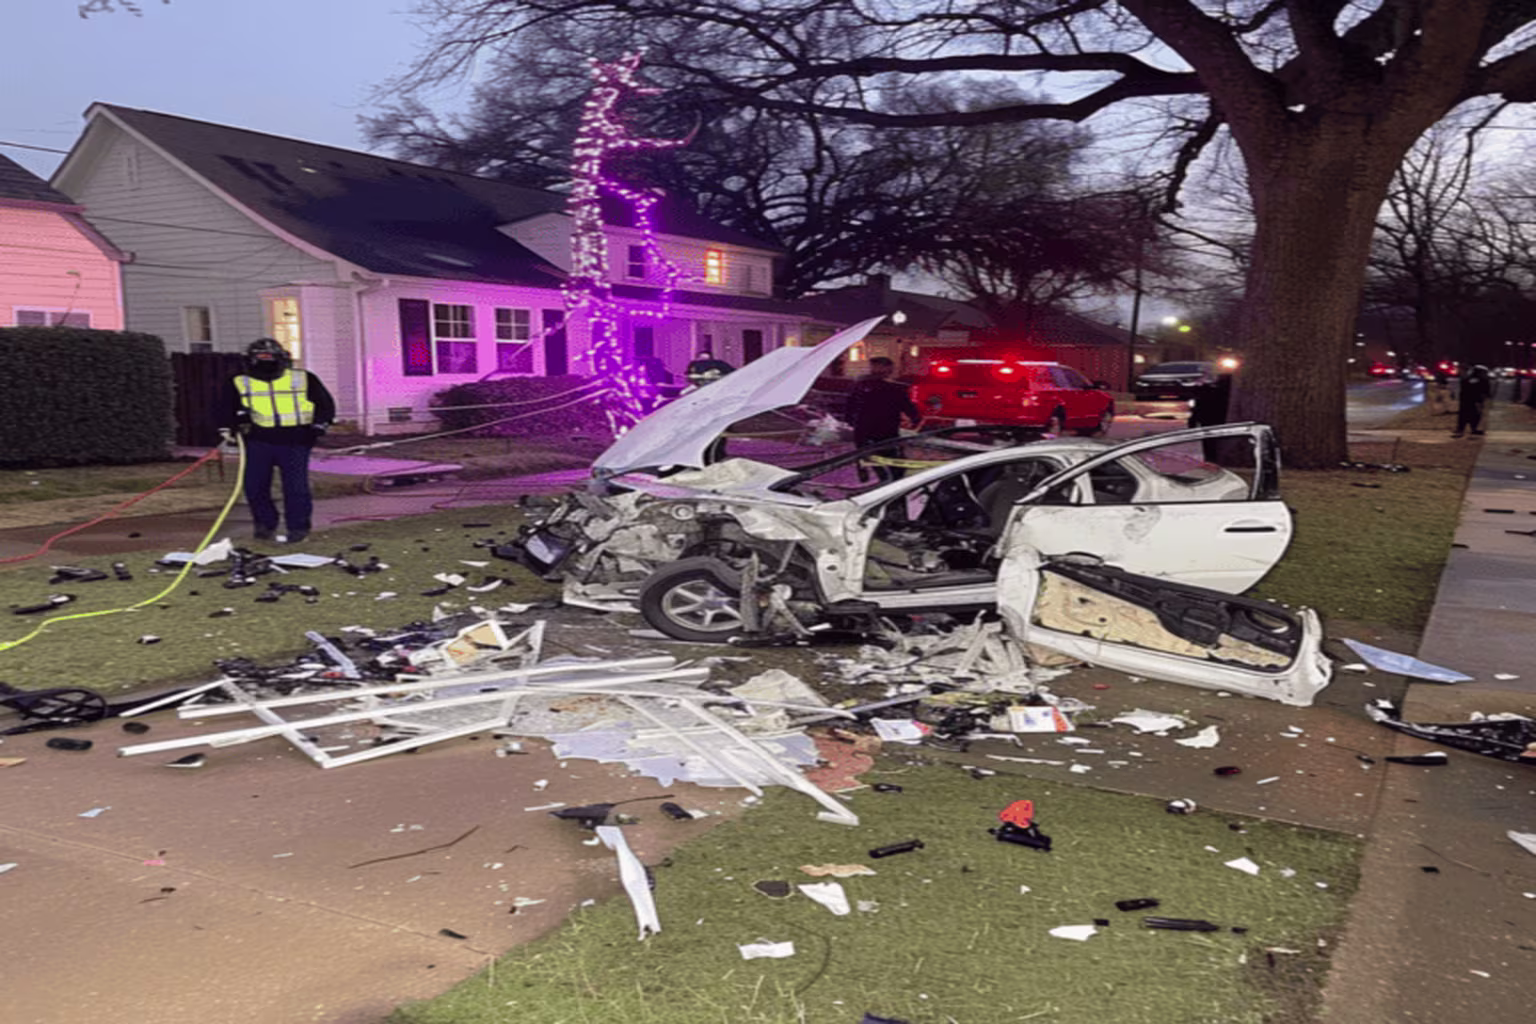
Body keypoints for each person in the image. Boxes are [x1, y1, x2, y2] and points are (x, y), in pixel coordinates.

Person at [219, 338, 335, 543]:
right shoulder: (239, 382)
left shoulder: (303, 379)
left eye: (270, 358)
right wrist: (228, 427)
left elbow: (324, 405)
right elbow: (225, 407)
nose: (266, 364)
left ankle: (298, 529)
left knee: (296, 488)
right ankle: (265, 525)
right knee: (255, 487)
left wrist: (319, 425)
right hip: (258, 441)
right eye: (260, 358)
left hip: (296, 441)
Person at [846, 356, 922, 480]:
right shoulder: (892, 387)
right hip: (883, 428)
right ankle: (890, 477)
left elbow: (851, 405)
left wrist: (850, 420)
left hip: (868, 427)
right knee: (886, 453)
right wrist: (915, 418)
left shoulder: (862, 385)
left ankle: (873, 473)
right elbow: (906, 405)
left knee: (869, 452)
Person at [1452, 364, 1492, 438]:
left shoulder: (1467, 379)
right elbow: (1486, 390)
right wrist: (1486, 397)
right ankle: (1471, 429)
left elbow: (1463, 388)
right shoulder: (1482, 380)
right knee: (1474, 415)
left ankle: (1462, 429)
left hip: (1466, 400)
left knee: (1465, 415)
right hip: (1475, 400)